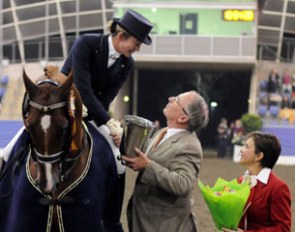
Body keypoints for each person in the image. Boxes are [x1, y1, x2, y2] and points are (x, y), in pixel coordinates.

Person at [122, 90, 209, 232]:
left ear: (183, 118)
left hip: (166, 224)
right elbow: (150, 155)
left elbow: (183, 184)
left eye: (177, 100)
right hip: (148, 219)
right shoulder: (164, 132)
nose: (170, 98)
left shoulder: (190, 145)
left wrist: (147, 166)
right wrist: (126, 141)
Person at [222, 131, 291, 232]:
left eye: (246, 146)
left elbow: (283, 228)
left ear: (259, 156)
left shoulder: (278, 188)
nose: (241, 150)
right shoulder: (240, 181)